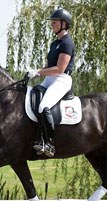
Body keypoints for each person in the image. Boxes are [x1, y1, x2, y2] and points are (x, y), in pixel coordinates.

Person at [27, 8, 75, 157]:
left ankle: (49, 143)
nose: (52, 24)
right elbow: (49, 66)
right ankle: (38, 138)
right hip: (50, 78)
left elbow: (60, 68)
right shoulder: (55, 43)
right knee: (33, 97)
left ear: (64, 24)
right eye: (52, 22)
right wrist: (34, 72)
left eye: (54, 22)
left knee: (43, 106)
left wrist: (39, 73)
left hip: (62, 79)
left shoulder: (67, 42)